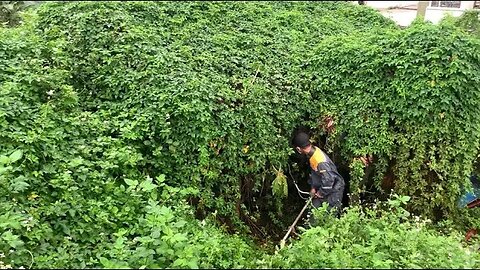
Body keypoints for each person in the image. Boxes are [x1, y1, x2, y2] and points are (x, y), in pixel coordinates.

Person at [292, 131, 345, 220]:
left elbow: (329, 180)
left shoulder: (320, 160)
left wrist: (320, 193)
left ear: (298, 149)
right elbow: (315, 174)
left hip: (334, 189)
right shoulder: (312, 153)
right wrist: (313, 187)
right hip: (323, 187)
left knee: (330, 216)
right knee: (313, 212)